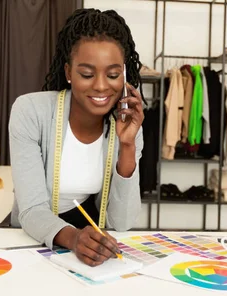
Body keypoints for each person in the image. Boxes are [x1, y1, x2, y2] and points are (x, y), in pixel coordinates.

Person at [9, 8, 145, 267]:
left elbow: (122, 222)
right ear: (69, 73)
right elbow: (31, 209)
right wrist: (73, 238)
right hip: (33, 235)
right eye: (87, 74)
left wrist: (127, 146)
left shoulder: (128, 124)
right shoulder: (30, 112)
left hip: (88, 238)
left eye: (113, 74)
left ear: (125, 75)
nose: (102, 86)